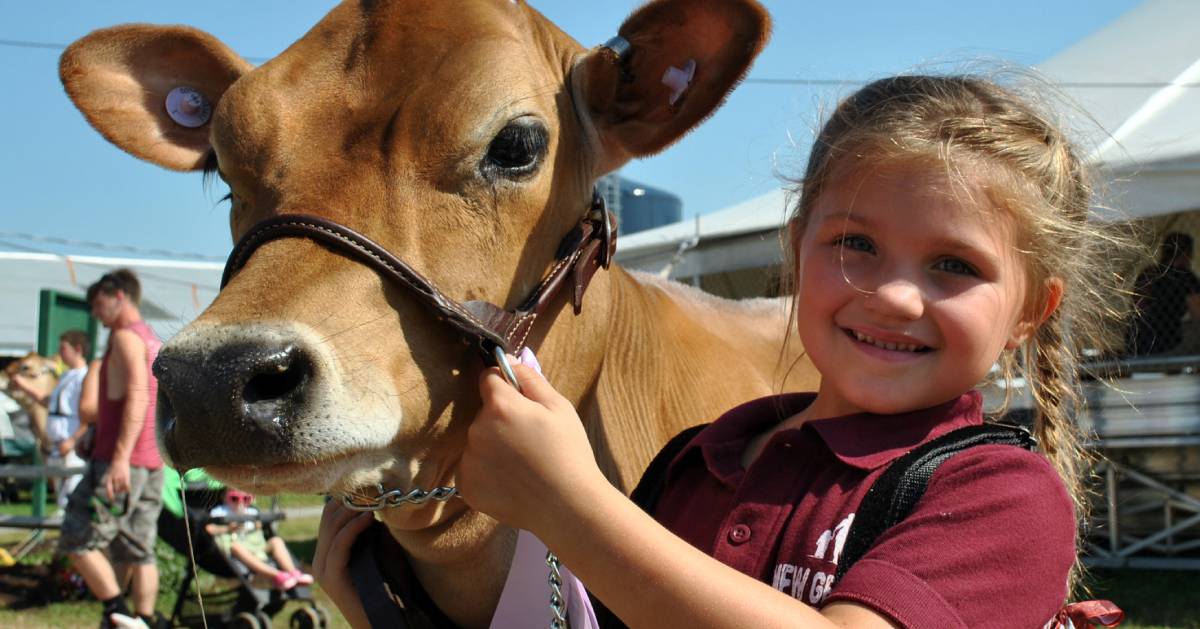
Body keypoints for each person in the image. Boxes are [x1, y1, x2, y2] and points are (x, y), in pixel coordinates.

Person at [318, 74, 1133, 627]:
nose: (893, 294)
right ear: (796, 249)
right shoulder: (704, 458)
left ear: (1031, 309)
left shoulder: (1001, 492)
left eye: (954, 265)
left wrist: (570, 507)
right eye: (856, 244)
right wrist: (385, 607)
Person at [58, 269, 166, 629]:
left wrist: (118, 458)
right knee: (138, 549)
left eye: (97, 304)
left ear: (118, 295)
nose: (94, 313)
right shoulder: (153, 340)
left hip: (122, 462)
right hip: (152, 462)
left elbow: (137, 396)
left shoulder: (124, 338)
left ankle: (115, 609)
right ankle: (144, 620)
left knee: (78, 537)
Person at [9, 330, 92, 512]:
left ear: (78, 349)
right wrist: (23, 385)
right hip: (56, 445)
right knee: (61, 496)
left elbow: (89, 415)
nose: (60, 353)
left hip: (70, 444)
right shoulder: (65, 376)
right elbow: (49, 402)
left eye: (64, 348)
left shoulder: (84, 377)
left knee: (72, 494)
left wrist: (72, 440)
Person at [206, 489, 315, 590]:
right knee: (236, 547)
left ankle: (293, 573)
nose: (240, 502)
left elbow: (259, 527)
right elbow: (209, 528)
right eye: (234, 498)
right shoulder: (220, 511)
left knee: (276, 541)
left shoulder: (251, 510)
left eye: (246, 499)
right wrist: (228, 528)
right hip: (235, 546)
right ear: (224, 498)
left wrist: (253, 521)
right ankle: (278, 575)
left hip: (255, 545)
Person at [1125, 232, 1200, 356]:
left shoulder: (1149, 273)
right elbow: (1197, 314)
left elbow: (1136, 306)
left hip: (1136, 339)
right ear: (1187, 255)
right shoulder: (1186, 277)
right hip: (1168, 342)